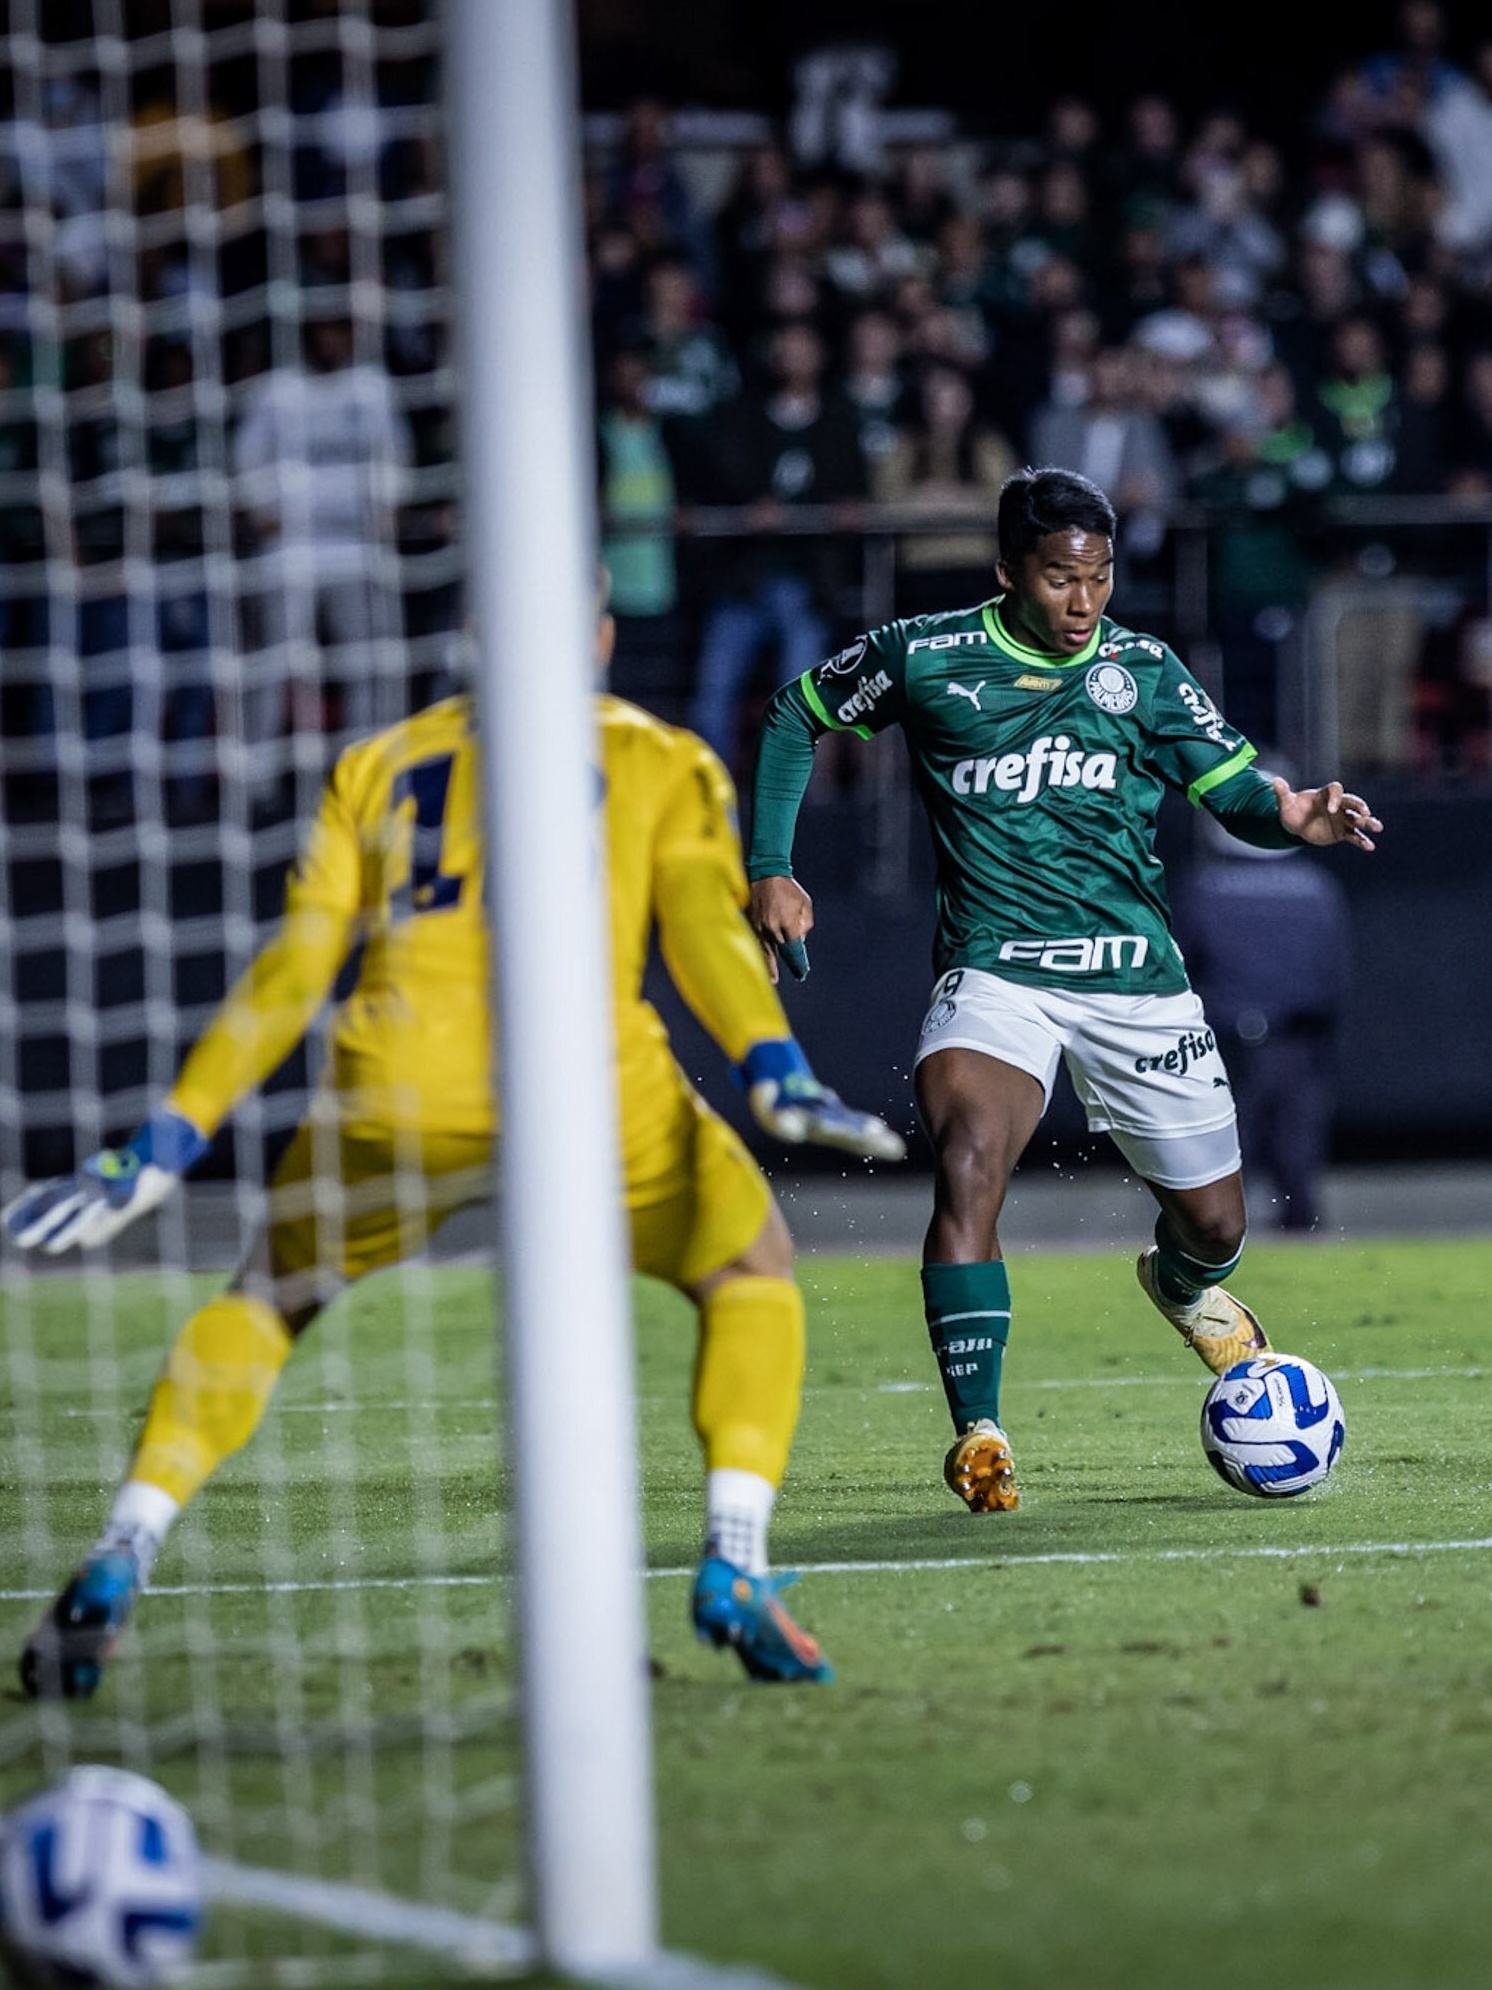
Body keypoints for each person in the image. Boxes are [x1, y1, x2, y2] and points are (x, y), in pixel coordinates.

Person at [3, 574, 906, 1700]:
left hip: (395, 1084)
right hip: (588, 1085)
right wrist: (774, 1066)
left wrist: (169, 1139)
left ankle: (124, 1546)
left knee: (267, 1298)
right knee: (747, 1266)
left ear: (474, 633)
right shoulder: (657, 757)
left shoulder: (375, 765)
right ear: (601, 634)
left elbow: (292, 971)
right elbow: (700, 939)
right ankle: (732, 1558)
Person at [744, 466, 1380, 1516]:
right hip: (996, 971)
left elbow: (1235, 798)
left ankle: (1178, 1286)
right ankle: (979, 1433)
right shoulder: (928, 656)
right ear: (1008, 573)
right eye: (1058, 578)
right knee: (969, 1156)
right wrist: (771, 863)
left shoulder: (1147, 672)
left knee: (1217, 1225)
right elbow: (793, 712)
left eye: (1098, 576)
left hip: (1135, 981)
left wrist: (1293, 816)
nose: (1083, 601)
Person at [1171, 777, 1352, 1233]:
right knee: (1297, 1151)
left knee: (1227, 1151)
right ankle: (1304, 1245)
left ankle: (1216, 1244)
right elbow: (1332, 970)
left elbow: (1182, 964)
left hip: (1227, 1041)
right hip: (1298, 1039)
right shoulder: (1316, 886)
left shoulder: (1207, 888)